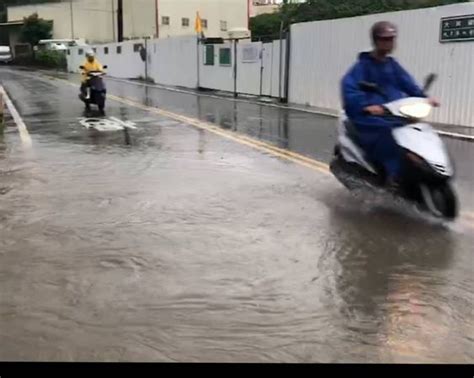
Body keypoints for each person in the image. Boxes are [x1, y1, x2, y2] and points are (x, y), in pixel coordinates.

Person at [341, 21, 439, 188]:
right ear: (375, 40)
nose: (388, 42)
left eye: (391, 39)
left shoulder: (392, 65)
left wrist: (425, 98)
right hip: (369, 116)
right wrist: (365, 106)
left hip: (393, 112)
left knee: (415, 130)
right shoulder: (362, 66)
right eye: (384, 39)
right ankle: (392, 176)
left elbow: (408, 84)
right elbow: (349, 88)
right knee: (388, 135)